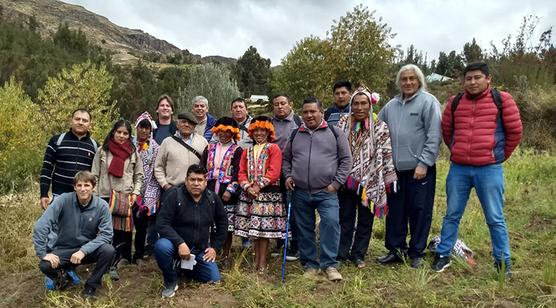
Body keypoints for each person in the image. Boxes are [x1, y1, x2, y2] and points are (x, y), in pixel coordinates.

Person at [432, 62, 522, 277]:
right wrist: (457, 150)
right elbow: (447, 131)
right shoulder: (455, 103)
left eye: (477, 77)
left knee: (495, 217)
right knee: (452, 214)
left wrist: (497, 156)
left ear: (488, 79)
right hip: (459, 169)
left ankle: (502, 262)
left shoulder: (503, 100)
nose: (472, 82)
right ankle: (443, 254)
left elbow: (515, 132)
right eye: (469, 78)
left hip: (489, 170)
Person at [377, 64, 442, 268]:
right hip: (394, 170)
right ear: (399, 82)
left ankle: (416, 252)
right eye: (404, 79)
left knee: (419, 210)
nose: (408, 82)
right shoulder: (390, 106)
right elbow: (378, 130)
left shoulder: (428, 102)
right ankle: (396, 250)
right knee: (396, 211)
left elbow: (434, 136)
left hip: (420, 170)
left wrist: (424, 163)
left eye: (412, 78)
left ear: (419, 80)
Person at [282, 97, 352, 281]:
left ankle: (329, 265)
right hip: (301, 191)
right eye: (305, 112)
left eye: (313, 111)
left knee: (330, 224)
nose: (309, 115)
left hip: (326, 191)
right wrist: (288, 176)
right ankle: (310, 265)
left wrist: (336, 184)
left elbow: (346, 161)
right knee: (304, 229)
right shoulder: (296, 134)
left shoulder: (335, 133)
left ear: (321, 112)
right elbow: (286, 159)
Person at [336, 86, 397, 269]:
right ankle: (341, 253)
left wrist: (388, 179)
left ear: (370, 105)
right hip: (347, 181)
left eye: (364, 103)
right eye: (356, 103)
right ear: (351, 105)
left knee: (365, 221)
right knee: (345, 218)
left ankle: (359, 255)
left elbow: (386, 153)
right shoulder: (342, 124)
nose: (360, 107)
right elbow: (335, 151)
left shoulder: (379, 127)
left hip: (371, 181)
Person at [39, 108, 98, 288]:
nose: (81, 122)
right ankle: (52, 271)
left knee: (74, 235)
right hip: (59, 196)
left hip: (82, 199)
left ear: (90, 124)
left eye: (85, 120)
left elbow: (95, 175)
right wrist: (43, 193)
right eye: (77, 119)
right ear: (71, 121)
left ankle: (68, 267)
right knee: (53, 234)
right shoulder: (57, 140)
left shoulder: (94, 145)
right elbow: (47, 168)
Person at [33, 171, 115, 299]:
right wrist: (43, 253)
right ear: (74, 187)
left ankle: (91, 286)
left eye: (87, 185)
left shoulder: (102, 206)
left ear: (93, 187)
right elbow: (41, 226)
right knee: (45, 265)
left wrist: (84, 250)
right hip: (63, 249)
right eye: (79, 185)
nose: (83, 189)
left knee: (108, 250)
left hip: (87, 250)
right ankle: (63, 278)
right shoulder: (62, 200)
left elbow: (106, 234)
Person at [154, 164, 228, 298]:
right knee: (161, 246)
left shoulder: (212, 198)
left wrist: (215, 248)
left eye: (200, 180)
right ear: (186, 180)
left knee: (214, 279)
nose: (196, 183)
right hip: (175, 247)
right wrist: (180, 243)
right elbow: (161, 223)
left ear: (205, 182)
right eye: (192, 179)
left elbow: (223, 223)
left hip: (199, 250)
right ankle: (170, 280)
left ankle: (182, 267)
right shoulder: (174, 195)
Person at [91, 119, 144, 279]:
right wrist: (95, 196)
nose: (121, 136)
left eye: (125, 133)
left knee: (122, 231)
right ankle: (105, 261)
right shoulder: (102, 151)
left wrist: (135, 193)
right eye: (119, 132)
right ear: (113, 132)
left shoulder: (133, 152)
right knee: (106, 231)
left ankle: (119, 259)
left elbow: (139, 176)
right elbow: (94, 175)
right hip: (105, 196)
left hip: (124, 197)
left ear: (129, 135)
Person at [235, 116, 286, 273]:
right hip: (250, 194)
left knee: (263, 230)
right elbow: (241, 172)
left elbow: (274, 171)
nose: (258, 133)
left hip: (268, 194)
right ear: (251, 132)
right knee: (254, 229)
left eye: (262, 130)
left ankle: (262, 262)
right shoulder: (246, 151)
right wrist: (247, 187)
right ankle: (256, 260)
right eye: (256, 130)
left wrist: (259, 186)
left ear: (268, 131)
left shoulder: (273, 148)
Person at [200, 117, 243, 261]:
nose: (224, 134)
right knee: (210, 223)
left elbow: (238, 172)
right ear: (216, 132)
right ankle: (211, 252)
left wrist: (230, 190)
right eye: (221, 131)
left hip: (226, 192)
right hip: (209, 189)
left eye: (227, 132)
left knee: (225, 224)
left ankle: (225, 253)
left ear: (233, 133)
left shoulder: (237, 150)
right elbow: (201, 168)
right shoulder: (209, 148)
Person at [271, 94, 301, 261]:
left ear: (290, 104)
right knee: (278, 210)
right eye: (276, 104)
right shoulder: (269, 123)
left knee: (293, 210)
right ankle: (281, 243)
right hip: (273, 173)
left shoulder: (298, 122)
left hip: (291, 172)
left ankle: (296, 245)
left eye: (283, 103)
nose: (280, 107)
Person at [132, 112, 161, 263]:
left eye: (147, 128)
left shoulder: (155, 147)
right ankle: (123, 254)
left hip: (149, 186)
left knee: (142, 224)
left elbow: (157, 168)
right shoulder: (129, 144)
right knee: (126, 222)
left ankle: (139, 253)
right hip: (129, 187)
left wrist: (148, 192)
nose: (144, 131)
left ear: (151, 129)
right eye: (141, 127)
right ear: (136, 128)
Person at [154, 112, 209, 192]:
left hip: (196, 191)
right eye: (183, 122)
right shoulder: (167, 142)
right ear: (177, 124)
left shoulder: (203, 142)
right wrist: (165, 185)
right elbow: (158, 167)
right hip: (172, 190)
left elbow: (209, 166)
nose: (186, 125)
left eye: (190, 123)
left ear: (194, 126)